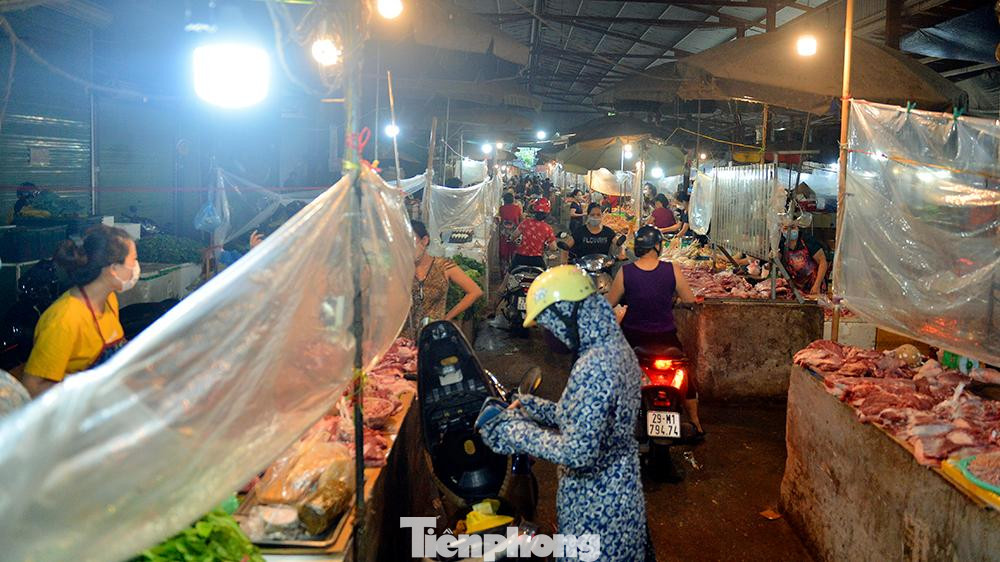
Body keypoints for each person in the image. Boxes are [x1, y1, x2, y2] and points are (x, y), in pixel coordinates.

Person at [477, 265, 653, 560]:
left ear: (567, 314)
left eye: (547, 326)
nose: (546, 336)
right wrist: (530, 406)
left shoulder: (596, 364)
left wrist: (512, 431)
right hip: (617, 498)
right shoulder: (610, 345)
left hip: (597, 511)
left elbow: (578, 452)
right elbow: (584, 418)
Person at [22, 225, 139, 396]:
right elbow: (32, 388)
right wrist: (83, 386)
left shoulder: (109, 299)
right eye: (133, 260)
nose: (136, 266)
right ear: (113, 270)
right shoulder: (64, 319)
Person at [607, 226, 703, 435]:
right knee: (687, 377)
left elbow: (610, 302)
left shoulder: (626, 272)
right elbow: (690, 300)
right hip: (666, 338)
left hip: (633, 337)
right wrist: (675, 298)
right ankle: (695, 422)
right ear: (658, 246)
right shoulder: (672, 269)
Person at [404, 221, 483, 338]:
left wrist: (447, 318)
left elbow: (475, 291)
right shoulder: (401, 271)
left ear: (424, 240)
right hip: (405, 339)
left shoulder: (444, 266)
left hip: (434, 335)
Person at [560, 203, 626, 261]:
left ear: (602, 216)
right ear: (588, 216)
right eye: (592, 215)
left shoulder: (608, 231)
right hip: (583, 268)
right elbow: (565, 247)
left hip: (602, 268)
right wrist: (564, 263)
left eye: (598, 215)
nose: (595, 217)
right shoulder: (579, 231)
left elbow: (619, 244)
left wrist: (622, 252)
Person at [779, 223, 828, 297]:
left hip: (815, 284)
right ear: (781, 230)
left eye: (792, 227)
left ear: (798, 228)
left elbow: (823, 262)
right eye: (786, 228)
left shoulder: (807, 240)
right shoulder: (781, 244)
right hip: (796, 288)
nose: (789, 231)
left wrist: (817, 285)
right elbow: (775, 262)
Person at [510, 198, 556, 270]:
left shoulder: (525, 223)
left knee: (509, 274)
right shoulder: (548, 228)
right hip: (537, 260)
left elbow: (513, 236)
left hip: (520, 258)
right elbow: (553, 247)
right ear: (547, 214)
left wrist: (513, 240)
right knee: (545, 278)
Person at [497, 193, 522, 271]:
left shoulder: (501, 208)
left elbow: (499, 219)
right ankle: (514, 269)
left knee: (504, 252)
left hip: (504, 234)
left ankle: (504, 271)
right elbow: (521, 219)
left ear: (504, 200)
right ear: (513, 200)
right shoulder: (517, 208)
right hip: (515, 234)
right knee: (514, 251)